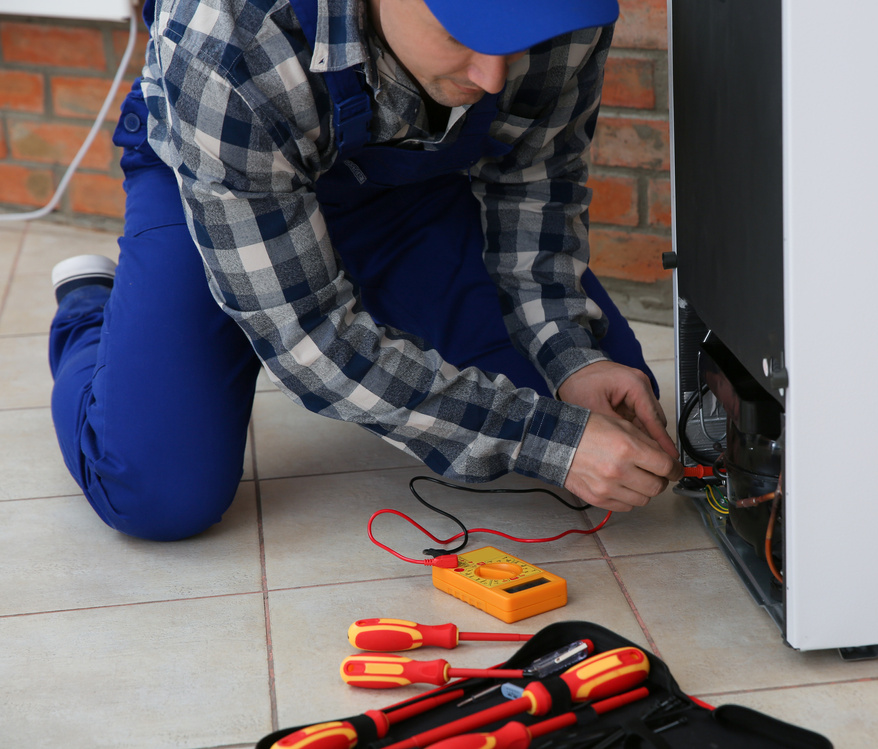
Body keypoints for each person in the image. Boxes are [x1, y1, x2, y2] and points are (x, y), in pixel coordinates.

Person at [48, 0, 682, 542]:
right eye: (464, 36)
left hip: (411, 189)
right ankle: (91, 311)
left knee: (606, 407)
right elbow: (308, 338)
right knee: (158, 489)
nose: (493, 77)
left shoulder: (565, 16)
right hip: (225, 175)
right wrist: (546, 440)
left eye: (519, 41)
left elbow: (536, 184)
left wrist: (572, 355)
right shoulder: (229, 37)